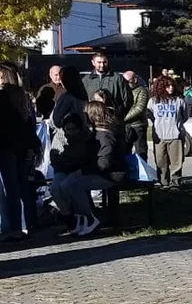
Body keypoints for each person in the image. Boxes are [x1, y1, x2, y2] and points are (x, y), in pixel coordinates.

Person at [50, 102, 127, 237]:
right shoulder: (96, 134)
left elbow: (104, 163)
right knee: (67, 183)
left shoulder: (105, 136)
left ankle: (89, 217)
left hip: (111, 175)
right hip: (99, 172)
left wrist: (83, 171)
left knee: (74, 184)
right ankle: (80, 219)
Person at [0, 83, 41, 241]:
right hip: (20, 151)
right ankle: (23, 225)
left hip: (8, 150)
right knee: (20, 189)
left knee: (11, 190)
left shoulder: (8, 110)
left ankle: (14, 227)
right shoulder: (23, 112)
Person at [48, 113, 97, 236]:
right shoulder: (59, 136)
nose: (71, 132)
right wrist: (65, 162)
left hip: (78, 169)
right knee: (54, 188)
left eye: (74, 129)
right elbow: (54, 157)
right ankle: (68, 216)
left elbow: (85, 158)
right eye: (68, 129)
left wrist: (71, 161)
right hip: (62, 169)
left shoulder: (86, 137)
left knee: (68, 185)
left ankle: (84, 216)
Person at [147, 76, 188, 189]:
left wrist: (177, 126)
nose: (171, 88)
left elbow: (185, 116)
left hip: (175, 136)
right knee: (161, 161)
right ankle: (163, 183)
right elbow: (150, 116)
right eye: (167, 86)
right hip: (159, 136)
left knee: (176, 162)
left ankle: (175, 183)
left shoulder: (179, 100)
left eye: (172, 85)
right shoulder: (153, 101)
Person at [83, 52, 132, 118]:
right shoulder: (86, 80)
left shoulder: (117, 78)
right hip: (92, 119)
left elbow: (127, 100)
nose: (102, 65)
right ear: (93, 62)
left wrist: (119, 115)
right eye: (99, 62)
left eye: (104, 62)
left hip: (113, 118)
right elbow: (82, 101)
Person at [122, 71, 149, 159]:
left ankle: (141, 167)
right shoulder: (123, 91)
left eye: (128, 82)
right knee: (125, 152)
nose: (126, 84)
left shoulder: (142, 91)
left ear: (135, 80)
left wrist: (124, 118)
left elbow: (139, 108)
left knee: (141, 152)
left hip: (138, 126)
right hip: (125, 126)